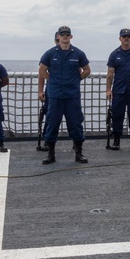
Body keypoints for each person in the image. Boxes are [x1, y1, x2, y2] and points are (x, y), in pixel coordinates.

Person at [38, 26, 92, 164]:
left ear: (71, 36)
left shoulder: (78, 53)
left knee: (75, 123)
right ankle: (51, 154)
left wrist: (77, 79)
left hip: (72, 95)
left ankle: (79, 153)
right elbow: (42, 70)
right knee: (52, 123)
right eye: (62, 34)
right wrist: (52, 80)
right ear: (58, 37)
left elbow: (87, 70)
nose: (65, 36)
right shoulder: (50, 53)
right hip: (55, 95)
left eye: (67, 34)